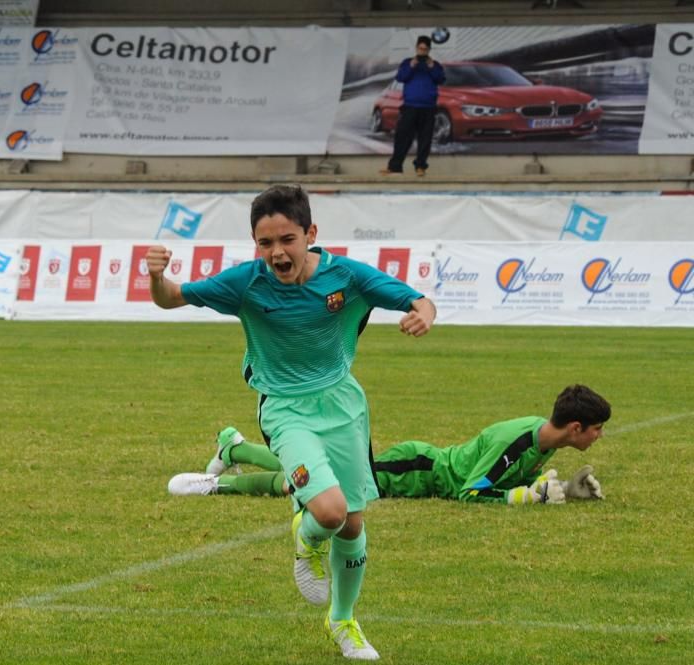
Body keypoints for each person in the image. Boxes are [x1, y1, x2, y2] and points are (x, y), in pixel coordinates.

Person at [146, 184, 436, 661]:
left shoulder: (347, 276)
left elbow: (418, 300)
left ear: (310, 234)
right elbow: (170, 298)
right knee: (328, 513)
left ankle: (343, 622)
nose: (276, 253)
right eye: (265, 243)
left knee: (352, 524)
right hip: (283, 407)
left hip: (343, 405)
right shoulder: (245, 283)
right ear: (255, 245)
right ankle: (306, 537)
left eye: (287, 240)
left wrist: (423, 316)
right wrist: (158, 277)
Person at [169, 385, 610, 506]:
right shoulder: (519, 438)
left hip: (422, 471)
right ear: (575, 427)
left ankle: (235, 448)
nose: (599, 436)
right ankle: (218, 484)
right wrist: (522, 498)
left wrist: (564, 491)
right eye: (597, 429)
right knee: (308, 484)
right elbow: (471, 491)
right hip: (415, 468)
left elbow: (510, 477)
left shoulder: (545, 441)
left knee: (312, 477)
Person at [379, 35, 445, 177]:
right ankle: (395, 167)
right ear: (416, 48)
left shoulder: (435, 65)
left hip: (428, 107)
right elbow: (401, 77)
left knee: (425, 139)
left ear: (429, 50)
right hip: (410, 106)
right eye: (420, 48)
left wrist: (432, 67)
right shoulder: (407, 62)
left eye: (425, 49)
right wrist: (412, 65)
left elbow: (440, 79)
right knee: (402, 137)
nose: (422, 51)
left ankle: (420, 166)